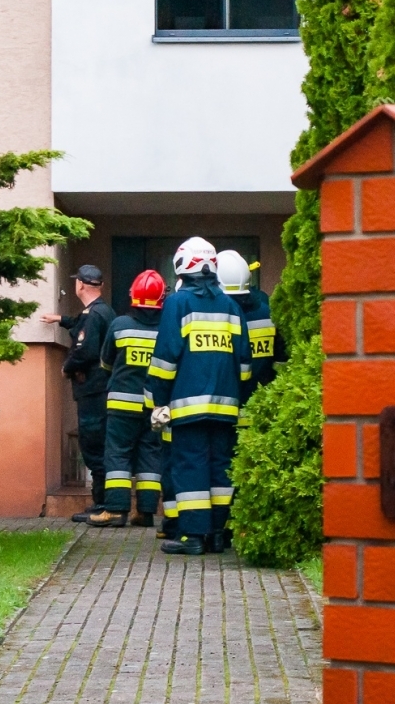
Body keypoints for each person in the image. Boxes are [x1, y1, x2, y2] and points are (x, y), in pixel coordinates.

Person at [147, 236, 251, 556]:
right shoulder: (231, 305)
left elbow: (166, 355)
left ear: (182, 264)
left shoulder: (178, 303)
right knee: (221, 468)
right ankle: (218, 534)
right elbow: (243, 361)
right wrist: (240, 396)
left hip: (188, 406)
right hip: (227, 405)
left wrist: (156, 398)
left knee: (190, 466)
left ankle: (192, 537)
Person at [84, 270, 168, 528]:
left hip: (121, 405)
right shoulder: (167, 329)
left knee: (118, 455)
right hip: (154, 407)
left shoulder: (120, 325)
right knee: (150, 456)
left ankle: (116, 510)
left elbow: (105, 363)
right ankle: (145, 512)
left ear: (133, 297)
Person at [42, 264, 116, 523]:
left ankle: (102, 504)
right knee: (98, 443)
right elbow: (82, 326)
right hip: (100, 389)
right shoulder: (102, 312)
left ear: (80, 285)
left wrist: (66, 366)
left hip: (93, 391)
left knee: (93, 444)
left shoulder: (93, 316)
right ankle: (101, 502)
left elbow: (85, 350)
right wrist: (61, 320)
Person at [216, 251, 287, 421]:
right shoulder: (268, 312)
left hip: (224, 411)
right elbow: (282, 359)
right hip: (262, 410)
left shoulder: (216, 317)